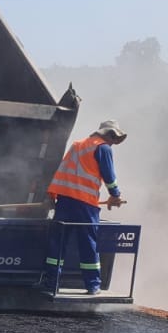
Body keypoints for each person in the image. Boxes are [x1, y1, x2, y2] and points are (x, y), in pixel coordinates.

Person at [38, 120, 128, 295]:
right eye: (114, 138)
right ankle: (93, 285)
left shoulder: (77, 145)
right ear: (108, 134)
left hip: (64, 202)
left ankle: (51, 283)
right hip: (85, 204)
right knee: (88, 244)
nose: (113, 142)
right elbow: (109, 175)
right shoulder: (103, 148)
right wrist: (115, 195)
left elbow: (62, 171)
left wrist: (52, 195)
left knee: (58, 244)